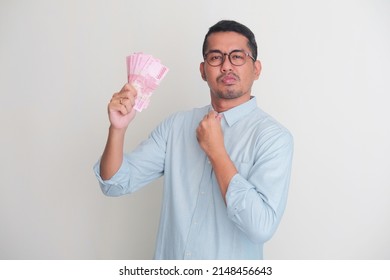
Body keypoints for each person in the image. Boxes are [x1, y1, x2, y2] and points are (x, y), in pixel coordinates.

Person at [93, 20, 293, 260]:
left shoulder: (274, 138)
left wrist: (217, 153)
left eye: (238, 56)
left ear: (256, 68)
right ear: (202, 70)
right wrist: (117, 129)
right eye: (216, 57)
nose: (226, 66)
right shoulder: (176, 126)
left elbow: (260, 226)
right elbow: (114, 184)